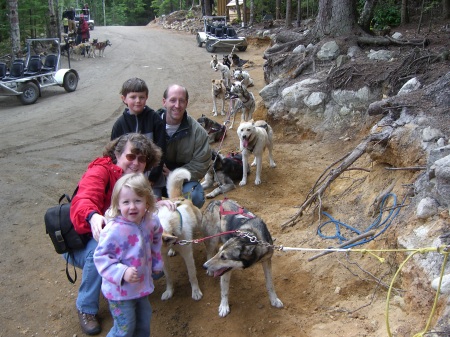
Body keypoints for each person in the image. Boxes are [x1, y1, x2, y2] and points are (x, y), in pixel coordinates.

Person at [67, 133, 173, 335]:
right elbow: (83, 200)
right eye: (131, 156)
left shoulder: (134, 181)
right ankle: (86, 307)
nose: (136, 163)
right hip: (84, 238)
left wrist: (155, 204)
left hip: (118, 235)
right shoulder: (101, 171)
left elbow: (135, 202)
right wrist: (93, 216)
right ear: (117, 154)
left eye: (142, 159)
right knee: (96, 252)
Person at [94, 173, 163, 337]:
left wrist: (157, 262)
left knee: (143, 323)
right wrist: (122, 272)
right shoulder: (113, 230)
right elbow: (101, 258)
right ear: (118, 203)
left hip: (141, 286)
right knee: (125, 328)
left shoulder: (150, 221)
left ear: (147, 200)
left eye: (138, 201)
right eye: (126, 202)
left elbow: (156, 241)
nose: (132, 207)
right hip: (120, 292)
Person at [157, 84, 211, 208]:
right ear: (164, 102)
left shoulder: (198, 132)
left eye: (181, 101)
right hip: (154, 179)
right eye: (173, 100)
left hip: (182, 181)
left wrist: (175, 174)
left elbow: (201, 164)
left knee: (196, 196)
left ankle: (185, 221)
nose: (177, 105)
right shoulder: (151, 126)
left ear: (186, 103)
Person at [111, 78, 166, 199]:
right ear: (124, 98)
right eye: (133, 97)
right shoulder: (119, 124)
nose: (138, 101)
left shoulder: (155, 120)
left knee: (153, 210)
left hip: (152, 180)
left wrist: (153, 177)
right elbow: (113, 154)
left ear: (147, 97)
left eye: (141, 97)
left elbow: (161, 150)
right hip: (126, 179)